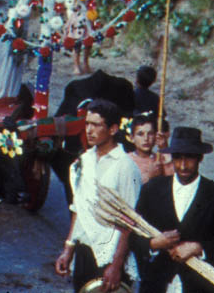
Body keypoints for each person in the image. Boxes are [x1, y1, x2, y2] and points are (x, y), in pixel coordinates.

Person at [132, 126, 214, 293]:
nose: (183, 165)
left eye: (190, 158)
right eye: (178, 158)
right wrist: (154, 243)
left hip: (198, 287)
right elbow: (133, 238)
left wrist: (199, 248)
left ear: (200, 158)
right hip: (156, 284)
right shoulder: (152, 189)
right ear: (171, 158)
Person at [55, 99, 142, 292]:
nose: (89, 130)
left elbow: (130, 221)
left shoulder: (126, 167)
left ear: (112, 129)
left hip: (110, 255)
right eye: (87, 123)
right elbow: (79, 208)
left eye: (96, 125)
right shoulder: (84, 161)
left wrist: (116, 265)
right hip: (84, 251)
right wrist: (68, 249)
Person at [130, 112, 175, 184]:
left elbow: (173, 181)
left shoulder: (159, 159)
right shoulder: (126, 160)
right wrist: (148, 176)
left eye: (150, 134)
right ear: (132, 138)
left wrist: (164, 148)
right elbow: (127, 188)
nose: (146, 138)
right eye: (140, 134)